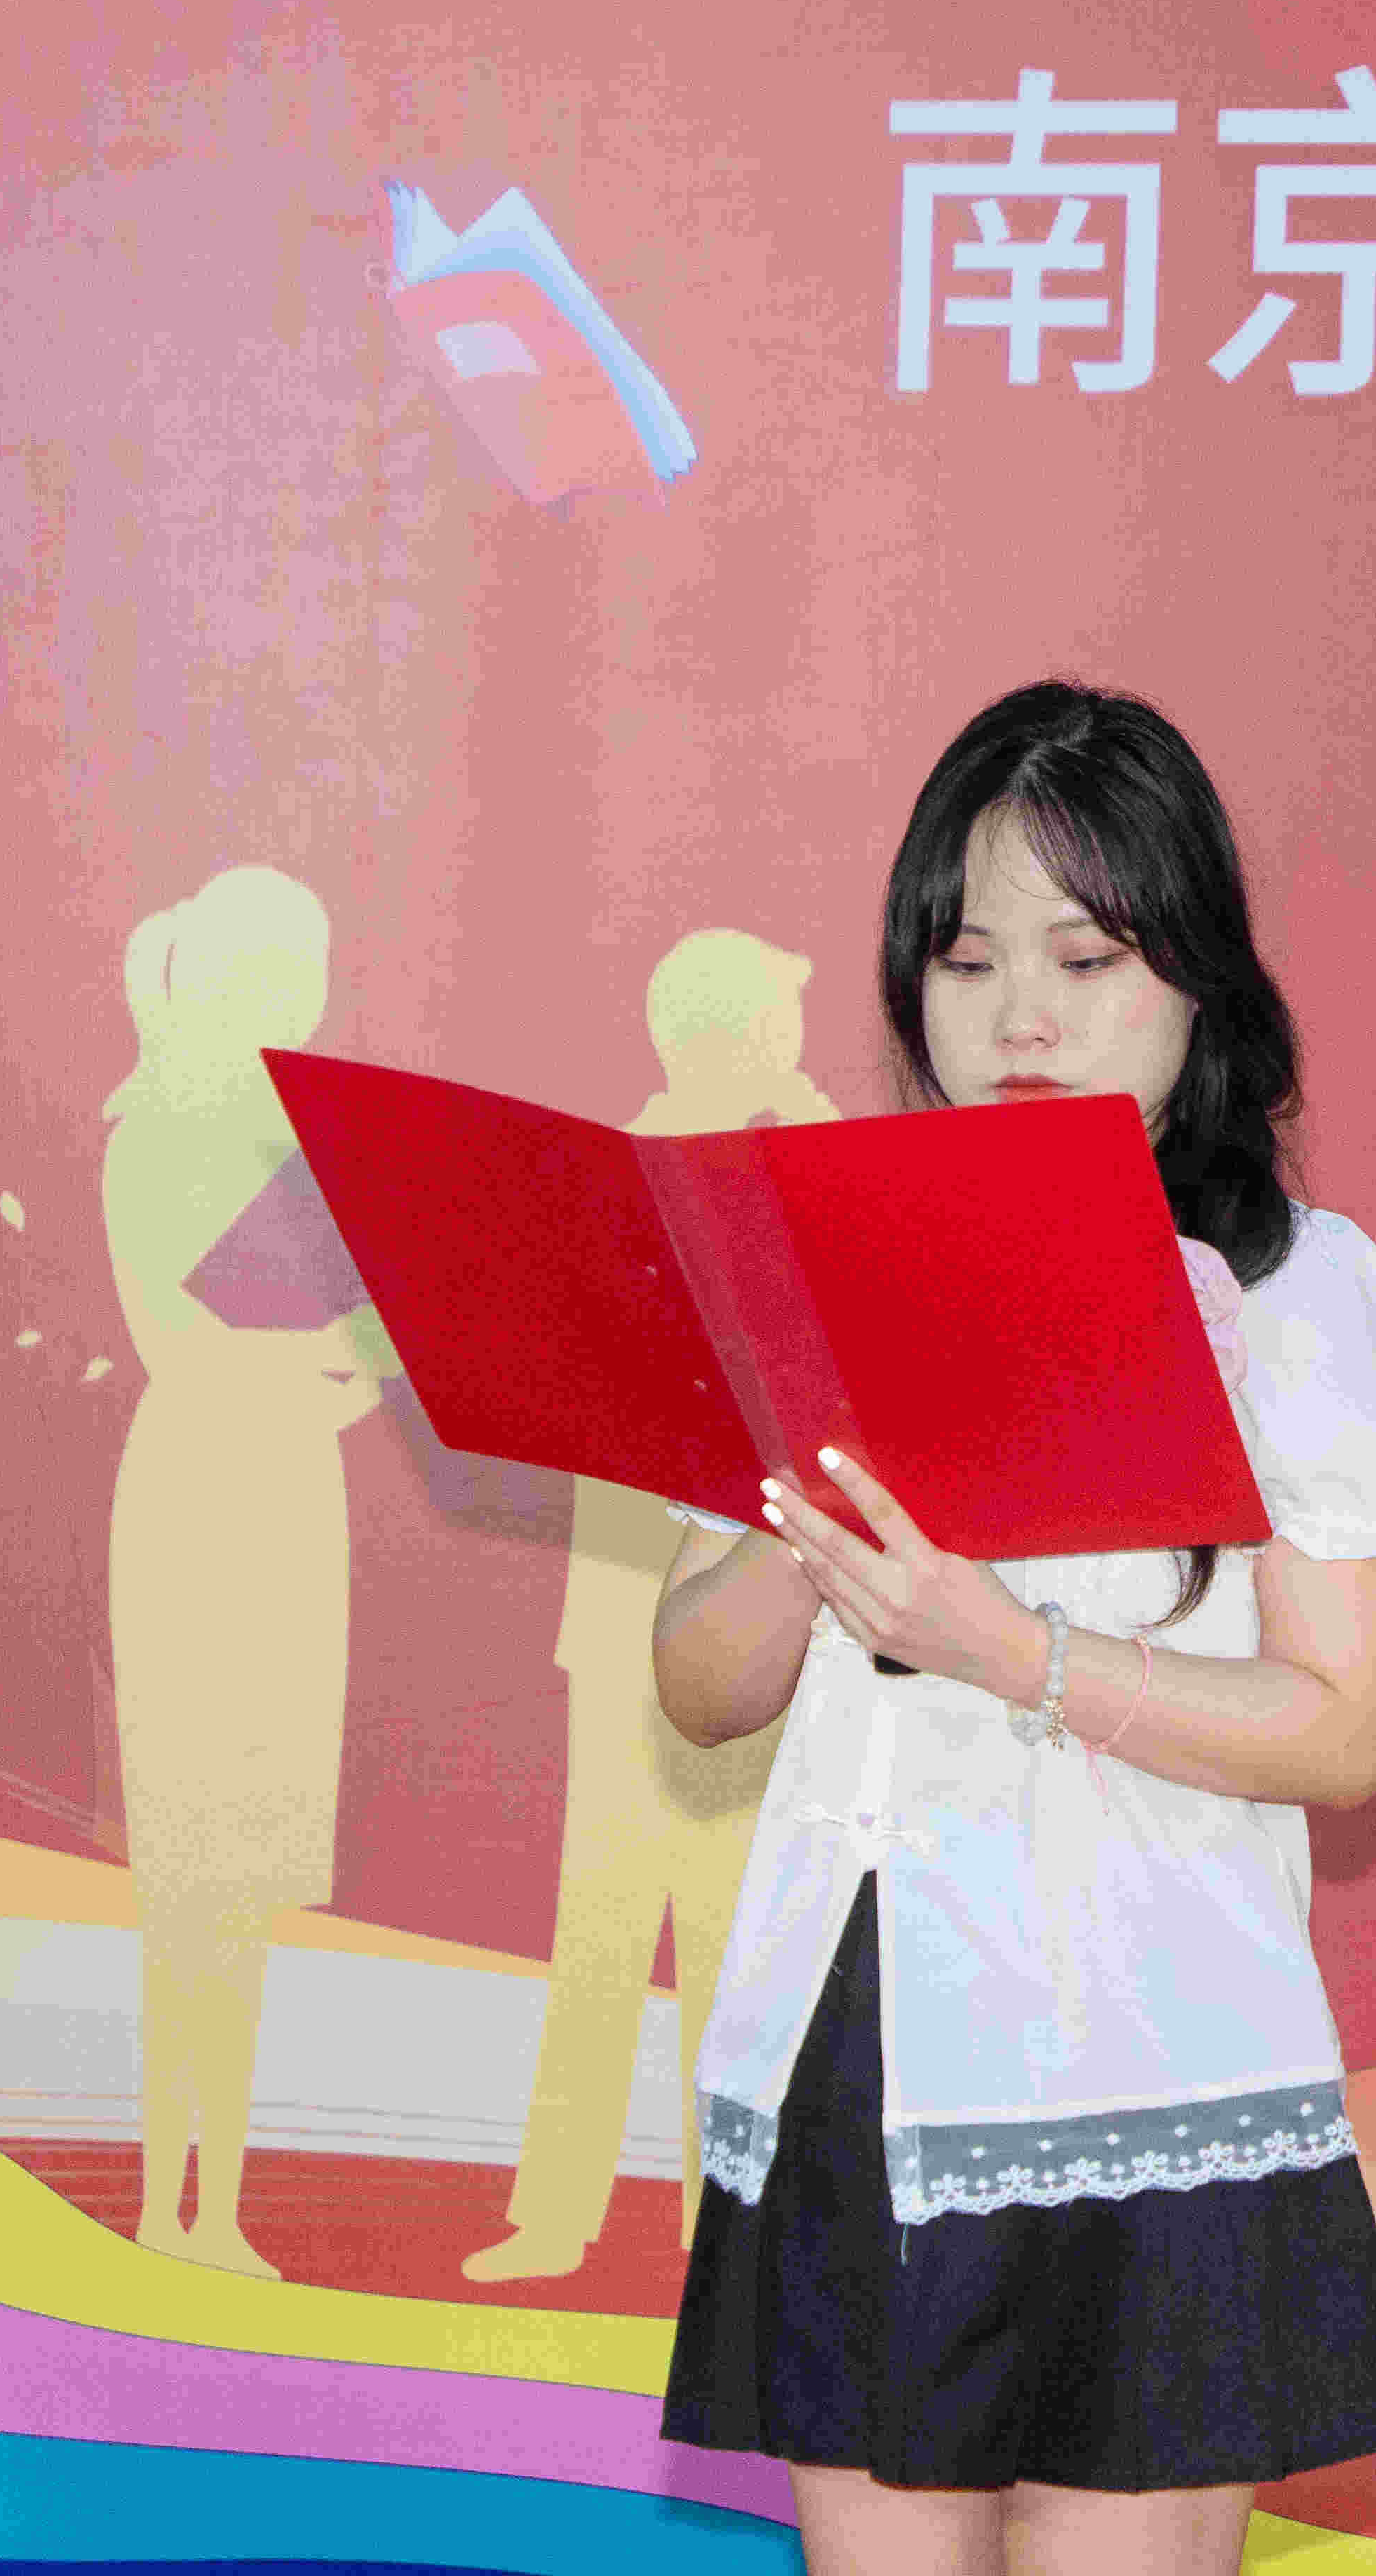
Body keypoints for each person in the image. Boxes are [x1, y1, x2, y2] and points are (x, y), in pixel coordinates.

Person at [651, 683, 1376, 2576]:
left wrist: (1007, 1648)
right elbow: (696, 1686)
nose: (1020, 1016)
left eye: (1085, 959)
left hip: (1147, 2053)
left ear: (1195, 980)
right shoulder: (811, 1257)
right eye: (967, 960)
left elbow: (1342, 1730)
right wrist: (824, 1525)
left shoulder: (1296, 1291)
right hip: (869, 2041)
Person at [468, 930, 835, 2286]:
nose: (798, 1047)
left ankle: (713, 2232)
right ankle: (560, 2215)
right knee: (607, 1925)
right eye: (781, 1020)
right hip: (633, 1607)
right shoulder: (616, 1180)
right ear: (725, 1030)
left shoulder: (795, 1171)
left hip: (756, 1623)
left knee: (737, 1936)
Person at [100, 861, 384, 2280]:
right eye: (281, 966)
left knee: (253, 1879)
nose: (300, 995)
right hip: (192, 1506)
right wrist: (307, 1361)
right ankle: (163, 2204)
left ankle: (218, 2208)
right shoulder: (152, 1131)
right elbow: (179, 1346)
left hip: (290, 1510)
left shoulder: (303, 1151)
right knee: (186, 1872)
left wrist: (351, 1359)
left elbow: (356, 1367)